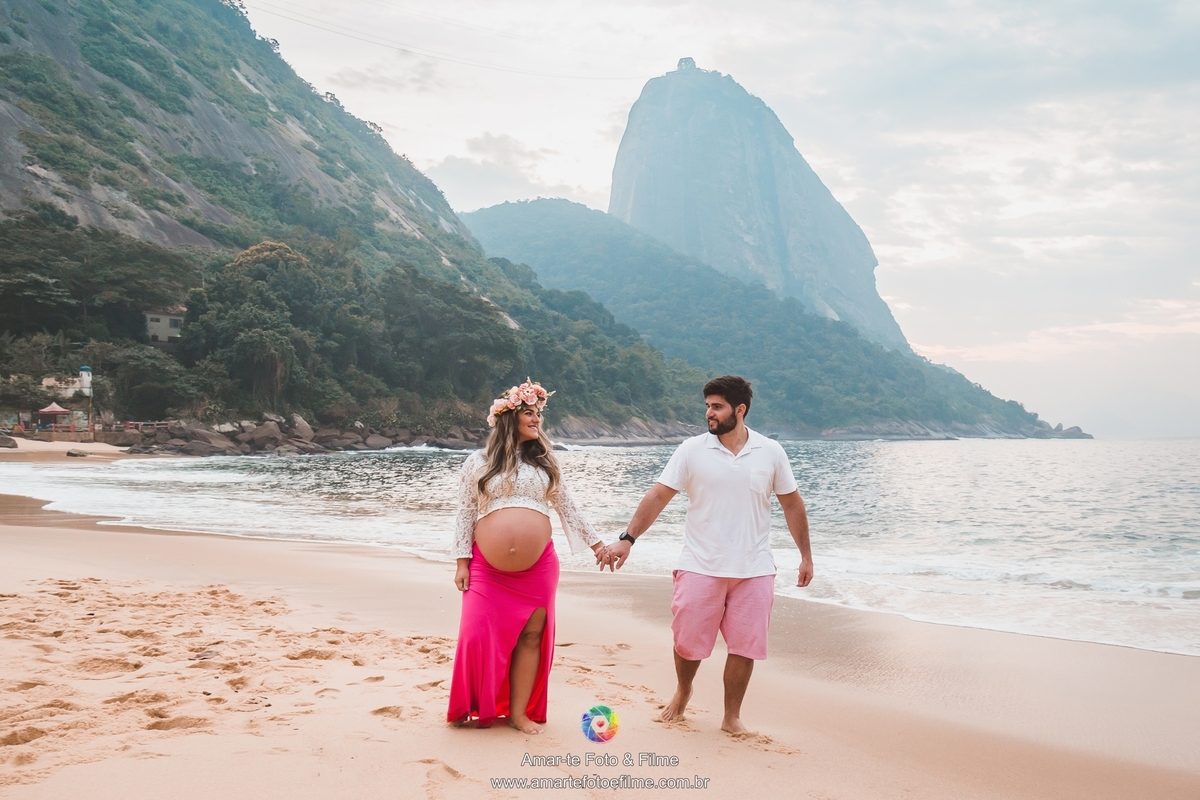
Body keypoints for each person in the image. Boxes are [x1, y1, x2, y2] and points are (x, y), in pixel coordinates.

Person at [597, 375, 813, 734]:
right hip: (699, 563)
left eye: (717, 407)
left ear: (740, 410)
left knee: (745, 646)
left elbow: (792, 504)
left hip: (754, 567)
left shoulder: (771, 451)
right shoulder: (691, 450)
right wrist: (628, 538)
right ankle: (684, 690)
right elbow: (658, 496)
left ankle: (731, 716)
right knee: (687, 641)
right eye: (708, 406)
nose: (709, 413)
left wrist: (805, 556)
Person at [447, 379, 605, 735]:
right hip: (487, 568)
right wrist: (461, 562)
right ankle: (471, 704)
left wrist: (597, 545)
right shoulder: (478, 462)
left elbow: (568, 508)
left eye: (538, 414)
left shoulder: (545, 462)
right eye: (530, 413)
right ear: (509, 418)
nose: (537, 420)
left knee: (531, 637)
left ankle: (518, 714)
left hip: (538, 569)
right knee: (475, 634)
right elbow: (465, 512)